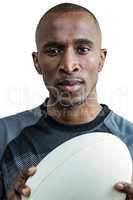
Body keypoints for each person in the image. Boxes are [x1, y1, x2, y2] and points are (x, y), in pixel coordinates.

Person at [0, 2, 133, 200]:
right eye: (54, 51)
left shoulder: (129, 140)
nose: (69, 65)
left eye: (83, 49)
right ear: (37, 62)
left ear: (101, 59)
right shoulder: (4, 135)